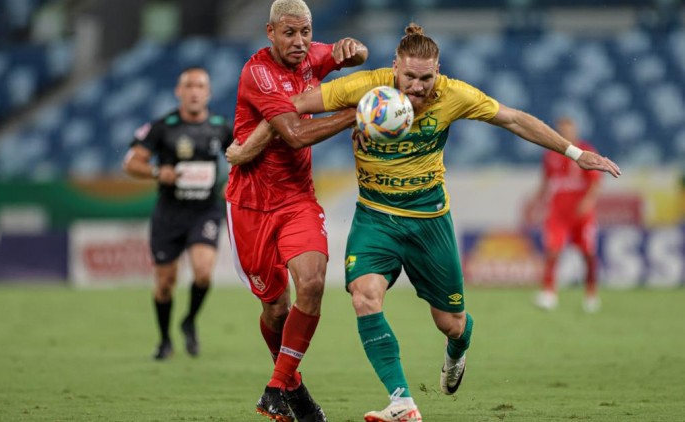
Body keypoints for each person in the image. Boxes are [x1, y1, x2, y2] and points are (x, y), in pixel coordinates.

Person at [228, 23, 621, 422]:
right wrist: (248, 149)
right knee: (364, 296)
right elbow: (290, 106)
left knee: (450, 323)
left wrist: (575, 153)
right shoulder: (364, 87)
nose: (417, 86)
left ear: (439, 71)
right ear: (395, 67)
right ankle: (402, 402)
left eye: (426, 77)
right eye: (409, 76)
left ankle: (458, 350)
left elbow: (515, 119)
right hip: (376, 218)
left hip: (429, 221)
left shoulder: (454, 95)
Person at [225, 0, 368, 421]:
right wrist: (352, 114)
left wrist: (353, 48)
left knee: (313, 281)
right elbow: (296, 135)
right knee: (275, 308)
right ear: (270, 33)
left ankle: (275, 388)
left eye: (306, 32)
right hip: (250, 205)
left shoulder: (311, 56)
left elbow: (359, 55)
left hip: (297, 199)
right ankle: (294, 387)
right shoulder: (259, 74)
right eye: (290, 33)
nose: (300, 42)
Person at [123, 67, 233, 361]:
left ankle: (189, 320)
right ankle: (164, 340)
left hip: (205, 211)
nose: (195, 91)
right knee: (164, 283)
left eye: (200, 86)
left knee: (203, 273)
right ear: (179, 92)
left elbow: (242, 156)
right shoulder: (162, 127)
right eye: (189, 85)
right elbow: (131, 163)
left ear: (208, 93)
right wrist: (159, 171)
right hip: (169, 214)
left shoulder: (222, 127)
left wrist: (234, 182)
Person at [532, 117, 603, 313]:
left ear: (575, 131)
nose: (565, 133)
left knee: (588, 254)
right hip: (558, 213)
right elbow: (546, 182)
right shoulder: (551, 155)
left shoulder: (586, 151)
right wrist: (537, 204)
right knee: (552, 251)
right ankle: (548, 293)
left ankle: (591, 293)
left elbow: (596, 182)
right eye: (561, 130)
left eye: (568, 129)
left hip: (581, 214)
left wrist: (588, 202)